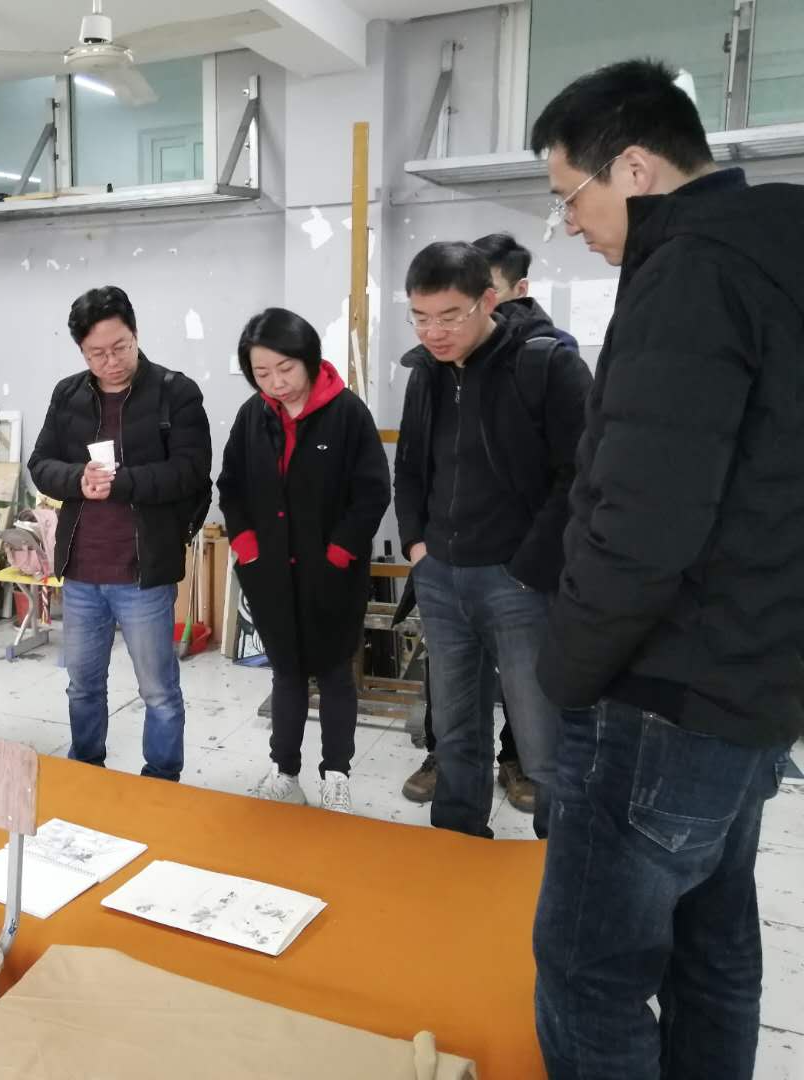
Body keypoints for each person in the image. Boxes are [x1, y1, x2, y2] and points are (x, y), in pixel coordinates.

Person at [528, 59, 804, 1079]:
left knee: (590, 971)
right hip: (756, 681)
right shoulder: (776, 250)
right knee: (713, 946)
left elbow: (642, 524)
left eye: (572, 196)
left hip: (662, 693)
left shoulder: (688, 274)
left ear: (636, 169)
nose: (571, 224)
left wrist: (564, 672)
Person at [393, 241, 590, 840]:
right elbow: (410, 467)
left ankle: (562, 863)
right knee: (454, 734)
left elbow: (582, 475)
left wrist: (530, 567)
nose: (434, 332)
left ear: (488, 301)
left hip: (519, 584)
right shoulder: (426, 372)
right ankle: (458, 847)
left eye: (449, 316)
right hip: (441, 577)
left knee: (543, 740)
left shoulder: (546, 363)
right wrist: (417, 547)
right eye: (420, 317)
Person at [29, 286, 211, 782]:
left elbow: (192, 470)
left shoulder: (175, 392)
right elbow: (40, 464)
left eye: (120, 347)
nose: (110, 362)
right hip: (82, 572)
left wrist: (123, 482)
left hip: (143, 573)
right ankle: (87, 773)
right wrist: (77, 479)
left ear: (135, 334)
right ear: (81, 351)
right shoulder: (68, 394)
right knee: (82, 687)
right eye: (97, 353)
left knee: (158, 691)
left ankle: (162, 781)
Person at [217, 309, 389, 812]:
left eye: (285, 368)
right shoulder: (253, 416)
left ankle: (336, 773)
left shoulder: (347, 413)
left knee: (335, 673)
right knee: (286, 673)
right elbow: (231, 486)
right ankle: (285, 772)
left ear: (309, 359)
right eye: (262, 373)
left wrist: (339, 552)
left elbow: (372, 492)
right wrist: (246, 545)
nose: (276, 382)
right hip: (270, 570)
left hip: (332, 572)